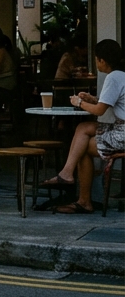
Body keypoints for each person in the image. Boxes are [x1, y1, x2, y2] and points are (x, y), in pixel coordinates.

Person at [41, 39, 125, 214]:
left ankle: (82, 198)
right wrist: (92, 99)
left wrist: (79, 102)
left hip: (122, 133)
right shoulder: (121, 75)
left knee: (83, 146)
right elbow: (105, 103)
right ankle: (67, 174)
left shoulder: (113, 77)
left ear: (102, 60)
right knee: (83, 127)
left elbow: (100, 111)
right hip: (120, 128)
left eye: (96, 58)